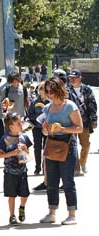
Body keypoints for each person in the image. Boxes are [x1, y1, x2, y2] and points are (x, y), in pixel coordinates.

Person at [39, 77, 83, 225]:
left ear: (59, 90)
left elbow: (79, 128)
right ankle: (52, 213)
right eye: (47, 91)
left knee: (67, 181)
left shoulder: (70, 106)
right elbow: (44, 130)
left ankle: (72, 214)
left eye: (51, 91)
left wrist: (62, 128)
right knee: (51, 181)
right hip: (52, 143)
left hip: (68, 144)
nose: (49, 94)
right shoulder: (47, 108)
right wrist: (45, 130)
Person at [0, 112, 32, 225]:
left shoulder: (24, 137)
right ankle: (12, 215)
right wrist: (12, 153)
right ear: (10, 126)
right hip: (9, 171)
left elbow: (28, 153)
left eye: (21, 122)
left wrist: (25, 149)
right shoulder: (5, 139)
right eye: (18, 123)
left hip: (22, 170)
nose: (21, 125)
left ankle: (22, 207)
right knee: (11, 195)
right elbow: (0, 155)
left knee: (25, 194)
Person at [67, 69, 97, 176]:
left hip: (85, 122)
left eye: (74, 77)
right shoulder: (67, 90)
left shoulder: (87, 89)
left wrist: (94, 120)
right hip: (71, 122)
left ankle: (82, 162)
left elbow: (93, 105)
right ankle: (76, 168)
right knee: (73, 146)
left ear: (80, 78)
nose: (72, 79)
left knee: (85, 145)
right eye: (70, 77)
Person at [29, 81, 49, 176]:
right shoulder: (34, 102)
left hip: (47, 128)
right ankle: (37, 167)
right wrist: (39, 117)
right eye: (41, 88)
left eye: (44, 89)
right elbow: (30, 115)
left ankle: (45, 167)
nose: (42, 91)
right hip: (37, 127)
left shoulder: (50, 102)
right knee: (37, 147)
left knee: (47, 147)